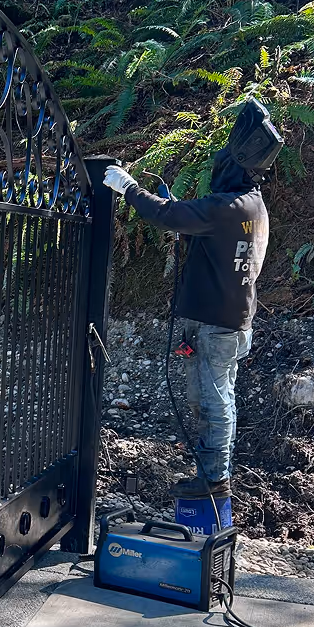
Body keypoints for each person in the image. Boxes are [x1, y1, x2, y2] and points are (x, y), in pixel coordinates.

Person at [102, 103, 277, 499]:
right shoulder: (251, 206)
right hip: (228, 321)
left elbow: (167, 216)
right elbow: (204, 230)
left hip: (216, 324)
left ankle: (214, 480)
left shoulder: (228, 207)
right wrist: (181, 207)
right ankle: (212, 473)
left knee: (213, 402)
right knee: (213, 399)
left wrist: (128, 187)